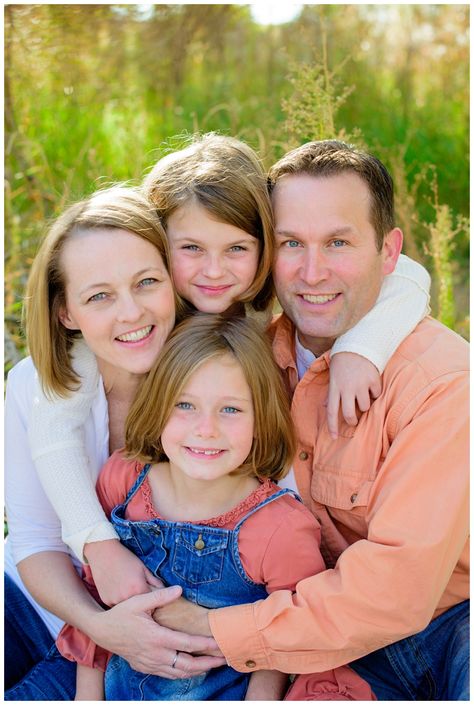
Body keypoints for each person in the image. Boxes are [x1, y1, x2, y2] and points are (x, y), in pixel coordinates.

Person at [5, 135, 430, 698]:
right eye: (190, 249)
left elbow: (404, 275)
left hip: (201, 645)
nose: (212, 271)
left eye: (236, 247)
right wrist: (103, 619)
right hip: (66, 619)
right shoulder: (55, 376)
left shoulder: (243, 359)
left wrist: (362, 347)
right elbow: (35, 539)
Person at [154, 140, 470, 701]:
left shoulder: (442, 383)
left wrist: (211, 629)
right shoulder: (244, 362)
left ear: (390, 252)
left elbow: (397, 589)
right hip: (308, 638)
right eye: (291, 243)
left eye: (339, 243)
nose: (312, 271)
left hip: (448, 625)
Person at [55, 314, 377, 701]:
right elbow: (97, 602)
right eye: (185, 405)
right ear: (158, 407)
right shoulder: (123, 480)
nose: (206, 429)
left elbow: (282, 647)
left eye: (230, 410)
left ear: (261, 419)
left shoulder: (279, 528)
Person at [4, 186, 222, 700]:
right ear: (66, 313)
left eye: (146, 283)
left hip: (147, 643)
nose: (131, 313)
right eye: (99, 296)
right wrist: (100, 628)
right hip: (38, 605)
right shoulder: (34, 385)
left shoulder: (218, 384)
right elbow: (33, 541)